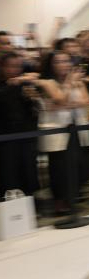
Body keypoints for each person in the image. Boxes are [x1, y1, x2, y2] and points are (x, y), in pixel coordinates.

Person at [37, 50, 89, 214]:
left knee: (78, 165)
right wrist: (69, 84)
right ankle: (59, 201)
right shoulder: (47, 82)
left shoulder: (78, 81)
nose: (63, 65)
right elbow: (60, 98)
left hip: (76, 127)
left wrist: (64, 104)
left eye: (66, 61)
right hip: (56, 130)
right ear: (51, 65)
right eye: (58, 62)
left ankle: (71, 198)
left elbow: (87, 100)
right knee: (58, 167)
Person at [0, 51, 41, 197]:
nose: (15, 70)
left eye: (18, 66)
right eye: (10, 66)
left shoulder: (24, 84)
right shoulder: (5, 86)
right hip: (6, 137)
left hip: (26, 135)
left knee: (28, 170)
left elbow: (35, 109)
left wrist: (33, 99)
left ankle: (30, 200)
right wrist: (10, 86)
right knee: (9, 172)